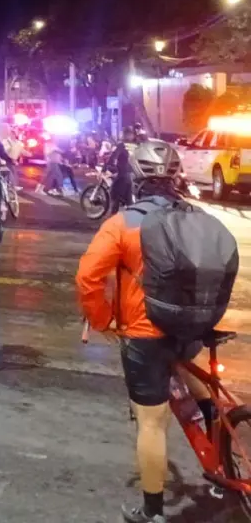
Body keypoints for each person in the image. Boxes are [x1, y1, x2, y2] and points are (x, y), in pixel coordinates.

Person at [76, 146, 213, 523]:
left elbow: (88, 278)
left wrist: (103, 320)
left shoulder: (122, 224)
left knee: (152, 423)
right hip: (189, 324)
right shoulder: (196, 217)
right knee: (193, 374)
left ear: (136, 178)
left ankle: (152, 512)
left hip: (143, 332)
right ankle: (221, 456)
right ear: (176, 176)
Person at [106, 127, 135, 212]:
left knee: (114, 193)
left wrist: (107, 167)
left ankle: (113, 215)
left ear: (124, 134)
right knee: (129, 200)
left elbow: (113, 158)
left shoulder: (121, 145)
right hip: (131, 174)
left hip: (122, 174)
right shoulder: (134, 146)